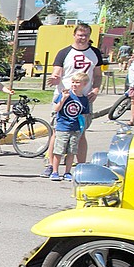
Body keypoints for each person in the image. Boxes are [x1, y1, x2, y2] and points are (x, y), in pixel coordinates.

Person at [49, 22, 103, 167]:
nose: (82, 38)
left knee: (81, 132)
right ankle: (50, 165)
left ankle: (81, 165)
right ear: (74, 35)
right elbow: (57, 71)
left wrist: (96, 89)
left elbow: (98, 75)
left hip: (84, 98)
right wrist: (55, 78)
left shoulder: (95, 53)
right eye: (80, 35)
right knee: (57, 132)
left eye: (85, 35)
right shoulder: (64, 52)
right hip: (64, 97)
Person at [49, 71, 91, 181]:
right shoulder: (65, 95)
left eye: (77, 83)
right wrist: (63, 99)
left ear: (84, 84)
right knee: (59, 150)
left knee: (72, 151)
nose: (74, 85)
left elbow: (83, 114)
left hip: (76, 128)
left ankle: (67, 172)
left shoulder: (84, 99)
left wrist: (82, 127)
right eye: (73, 82)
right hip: (63, 127)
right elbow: (56, 109)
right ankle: (54, 171)